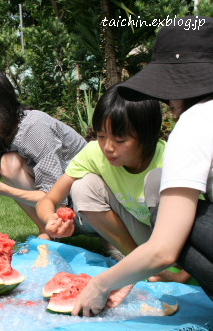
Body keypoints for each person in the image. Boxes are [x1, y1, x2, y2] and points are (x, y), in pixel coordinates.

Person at [73, 16, 213, 317]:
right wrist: (130, 275)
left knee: (166, 204)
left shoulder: (196, 122)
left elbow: (164, 249)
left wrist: (101, 284)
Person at [36, 84, 168, 263]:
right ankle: (135, 258)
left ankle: (164, 265)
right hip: (140, 235)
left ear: (147, 136)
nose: (108, 148)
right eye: (101, 136)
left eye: (120, 140)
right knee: (82, 186)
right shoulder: (94, 153)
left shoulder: (169, 158)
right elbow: (48, 200)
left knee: (157, 179)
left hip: (172, 239)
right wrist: (50, 219)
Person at [0, 66, 87, 239]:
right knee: (7, 164)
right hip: (62, 199)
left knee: (9, 164)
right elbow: (21, 165)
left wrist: (2, 189)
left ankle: (54, 232)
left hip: (86, 201)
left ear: (1, 104)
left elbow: (54, 195)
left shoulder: (34, 127)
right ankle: (48, 231)